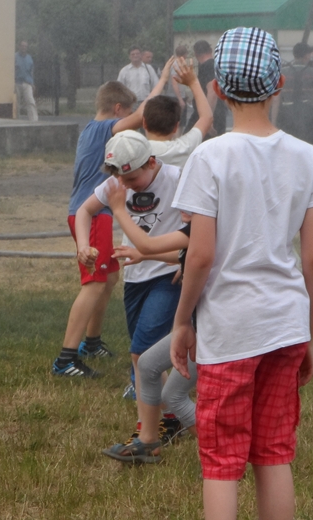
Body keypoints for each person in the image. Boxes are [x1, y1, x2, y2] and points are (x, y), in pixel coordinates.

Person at [170, 27, 313, 520]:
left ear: (216, 88)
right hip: (285, 325)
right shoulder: (305, 156)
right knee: (273, 451)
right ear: (279, 82)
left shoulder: (210, 156)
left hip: (231, 331)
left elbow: (199, 256)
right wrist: (307, 332)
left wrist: (181, 322)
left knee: (222, 461)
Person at [75, 130, 184, 427]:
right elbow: (85, 211)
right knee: (147, 353)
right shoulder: (117, 183)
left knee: (141, 352)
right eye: (119, 179)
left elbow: (195, 239)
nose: (124, 186)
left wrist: (121, 211)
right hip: (135, 278)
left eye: (131, 180)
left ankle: (150, 429)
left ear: (151, 162)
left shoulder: (178, 180)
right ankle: (169, 416)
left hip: (168, 277)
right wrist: (83, 245)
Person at [51, 80, 155, 379]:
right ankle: (65, 359)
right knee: (94, 282)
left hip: (93, 213)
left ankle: (92, 343)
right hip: (92, 214)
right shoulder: (102, 129)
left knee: (109, 277)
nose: (131, 119)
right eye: (127, 113)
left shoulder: (90, 130)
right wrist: (165, 80)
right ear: (117, 110)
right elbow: (145, 114)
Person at [100, 179, 195, 464]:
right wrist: (179, 262)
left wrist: (118, 208)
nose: (181, 211)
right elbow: (181, 253)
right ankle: (149, 442)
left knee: (175, 398)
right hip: (201, 326)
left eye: (188, 207)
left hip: (217, 329)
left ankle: (226, 448)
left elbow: (152, 243)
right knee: (148, 364)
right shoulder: (197, 232)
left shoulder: (206, 230)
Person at [142, 58, 214, 168]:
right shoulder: (185, 147)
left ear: (144, 123)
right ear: (176, 127)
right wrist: (193, 82)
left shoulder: (135, 150)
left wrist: (163, 80)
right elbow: (206, 117)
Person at [275, 42, 313, 145]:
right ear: (306, 56)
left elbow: (276, 99)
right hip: (307, 113)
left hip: (287, 113)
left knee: (288, 143)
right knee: (306, 143)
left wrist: (274, 121)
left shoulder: (282, 73)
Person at [193, 39, 227, 137]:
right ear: (211, 50)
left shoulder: (208, 66)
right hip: (214, 112)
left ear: (196, 54)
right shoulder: (214, 66)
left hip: (211, 114)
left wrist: (208, 119)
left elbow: (212, 91)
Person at [14, 40, 38, 122]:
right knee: (17, 103)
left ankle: (34, 120)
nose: (24, 47)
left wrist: (32, 83)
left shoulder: (29, 58)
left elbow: (31, 71)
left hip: (27, 83)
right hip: (17, 82)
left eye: (25, 46)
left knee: (30, 101)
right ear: (19, 46)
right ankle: (16, 120)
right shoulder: (15, 57)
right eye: (22, 46)